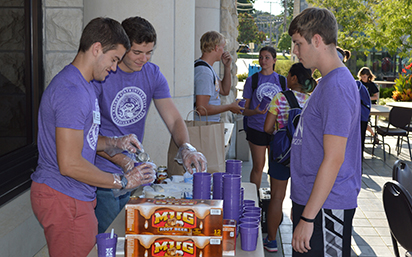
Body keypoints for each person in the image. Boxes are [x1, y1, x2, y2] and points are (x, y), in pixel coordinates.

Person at [30, 17, 157, 256]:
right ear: (97, 48)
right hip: (64, 195)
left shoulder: (86, 85)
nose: (114, 67)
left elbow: (82, 141)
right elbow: (69, 164)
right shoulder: (72, 92)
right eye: (114, 59)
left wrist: (114, 142)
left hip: (74, 195)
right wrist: (122, 181)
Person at [93, 16, 207, 233]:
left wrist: (186, 147)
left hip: (135, 174)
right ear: (122, 47)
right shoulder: (102, 74)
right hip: (103, 176)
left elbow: (174, 119)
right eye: (137, 52)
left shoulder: (152, 73)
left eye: (149, 52)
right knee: (111, 238)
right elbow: (88, 136)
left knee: (135, 236)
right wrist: (124, 162)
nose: (144, 59)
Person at [288, 7, 362, 256]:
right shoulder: (326, 82)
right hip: (314, 203)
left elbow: (334, 158)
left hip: (327, 208)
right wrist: (301, 206)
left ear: (317, 40)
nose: (295, 52)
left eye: (298, 44)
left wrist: (307, 218)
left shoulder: (337, 86)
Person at [263, 62, 315, 252]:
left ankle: (271, 240)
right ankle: (300, 239)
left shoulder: (280, 98)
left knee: (277, 198)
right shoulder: (312, 99)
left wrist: (279, 129)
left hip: (281, 155)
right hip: (305, 156)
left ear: (293, 78)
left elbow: (267, 128)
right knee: (301, 199)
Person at [242, 46, 286, 189]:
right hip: (256, 128)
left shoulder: (282, 81)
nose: (263, 60)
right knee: (258, 167)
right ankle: (254, 201)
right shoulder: (252, 80)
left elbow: (286, 105)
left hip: (276, 130)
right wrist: (255, 111)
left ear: (274, 60)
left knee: (274, 170)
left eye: (267, 57)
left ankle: (274, 200)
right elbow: (244, 110)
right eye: (261, 57)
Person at [194, 31, 243, 121]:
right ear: (216, 48)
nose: (224, 51)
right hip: (204, 127)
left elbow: (224, 90)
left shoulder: (208, 68)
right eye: (223, 47)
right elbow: (201, 109)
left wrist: (227, 67)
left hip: (208, 125)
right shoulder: (204, 72)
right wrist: (229, 107)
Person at [358, 67, 380, 144]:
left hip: (366, 106)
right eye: (361, 76)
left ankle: (374, 134)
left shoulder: (371, 85)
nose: (363, 78)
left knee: (364, 122)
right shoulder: (358, 83)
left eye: (364, 76)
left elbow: (376, 96)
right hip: (358, 106)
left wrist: (367, 98)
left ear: (368, 76)